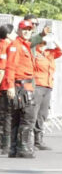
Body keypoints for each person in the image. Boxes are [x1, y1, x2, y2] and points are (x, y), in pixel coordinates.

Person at [4, 20, 38, 158]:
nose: (27, 32)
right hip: (21, 86)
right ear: (18, 30)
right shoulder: (16, 46)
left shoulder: (26, 45)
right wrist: (10, 86)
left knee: (17, 118)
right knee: (27, 118)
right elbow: (10, 67)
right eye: (24, 29)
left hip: (25, 85)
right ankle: (23, 147)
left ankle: (14, 148)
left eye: (29, 30)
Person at [32, 35, 62, 150]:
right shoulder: (33, 52)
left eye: (45, 42)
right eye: (42, 41)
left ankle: (38, 140)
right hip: (37, 85)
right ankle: (28, 140)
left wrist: (54, 39)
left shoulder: (48, 53)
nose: (44, 43)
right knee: (33, 113)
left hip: (47, 86)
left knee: (43, 114)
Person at [0, 23, 14, 155]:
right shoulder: (5, 45)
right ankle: (6, 144)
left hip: (6, 84)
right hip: (4, 85)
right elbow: (2, 69)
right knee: (7, 115)